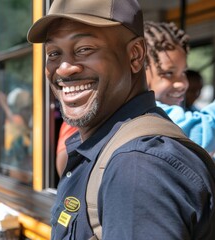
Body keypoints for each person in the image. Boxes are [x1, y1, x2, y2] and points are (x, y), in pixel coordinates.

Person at [27, 0, 215, 239]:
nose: (63, 68)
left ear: (135, 56)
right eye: (53, 53)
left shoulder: (139, 168)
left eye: (84, 48)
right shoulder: (108, 147)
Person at [144, 21, 215, 153]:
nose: (182, 83)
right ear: (139, 71)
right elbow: (201, 131)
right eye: (168, 73)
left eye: (183, 72)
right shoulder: (149, 113)